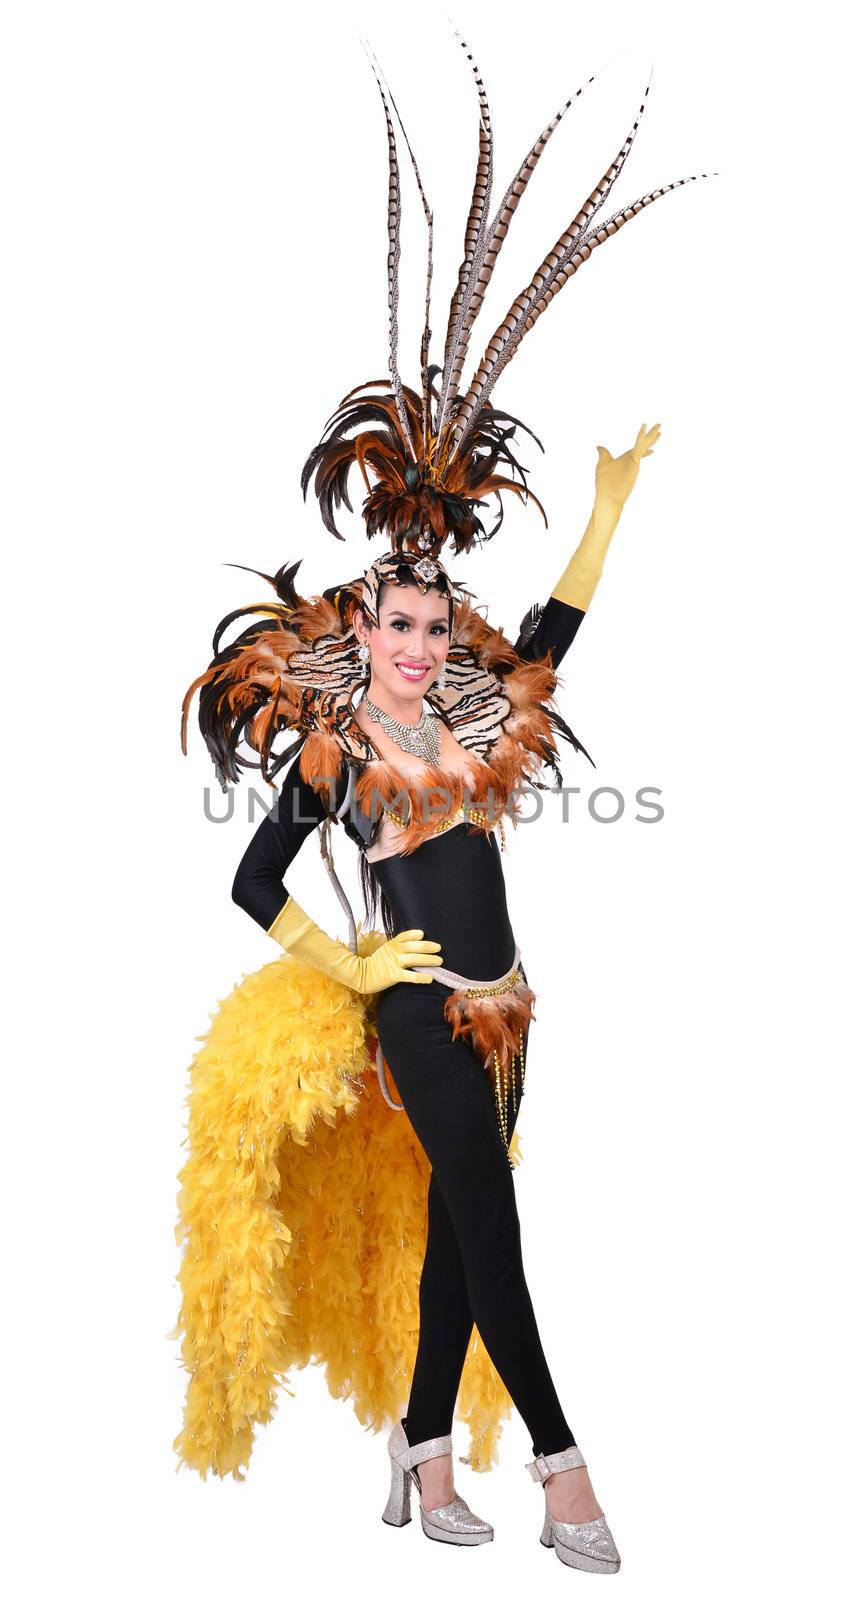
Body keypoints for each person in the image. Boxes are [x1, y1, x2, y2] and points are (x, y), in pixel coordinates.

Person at [175, 35, 704, 1572]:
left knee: (471, 1251)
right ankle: (564, 1469)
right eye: (392, 625)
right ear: (359, 630)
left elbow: (550, 640)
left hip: (508, 1005)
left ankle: (419, 1449)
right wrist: (350, 964)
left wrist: (603, 512)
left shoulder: (479, 710)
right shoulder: (333, 748)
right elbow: (250, 879)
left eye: (429, 623)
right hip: (412, 1003)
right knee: (501, 1233)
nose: (415, 644)